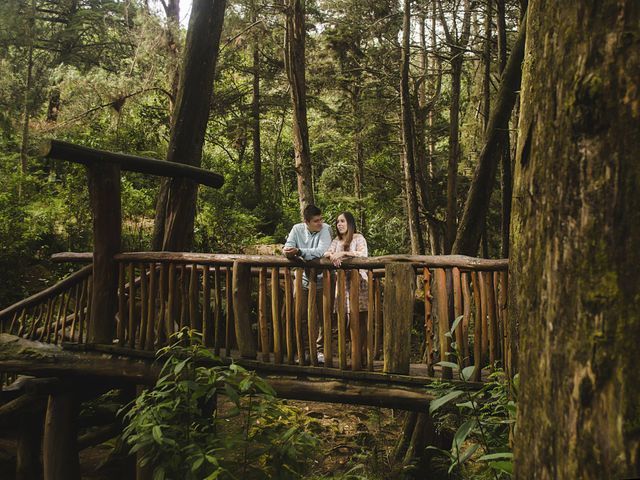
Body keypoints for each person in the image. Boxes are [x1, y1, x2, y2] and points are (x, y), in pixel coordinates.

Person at [283, 204, 332, 363]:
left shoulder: (326, 229)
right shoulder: (296, 229)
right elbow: (287, 247)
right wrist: (289, 252)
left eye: (321, 219)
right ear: (306, 222)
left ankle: (320, 352)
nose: (320, 223)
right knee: (301, 316)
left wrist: (300, 252)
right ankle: (303, 351)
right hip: (303, 281)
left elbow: (321, 251)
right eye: (316, 221)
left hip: (323, 280)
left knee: (324, 317)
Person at [324, 211, 368, 365]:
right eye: (337, 222)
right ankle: (350, 355)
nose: (339, 224)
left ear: (350, 223)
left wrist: (343, 253)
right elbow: (327, 252)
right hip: (342, 285)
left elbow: (363, 255)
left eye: (342, 221)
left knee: (359, 319)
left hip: (358, 283)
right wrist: (331, 256)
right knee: (345, 319)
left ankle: (359, 356)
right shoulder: (337, 240)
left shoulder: (358, 237)